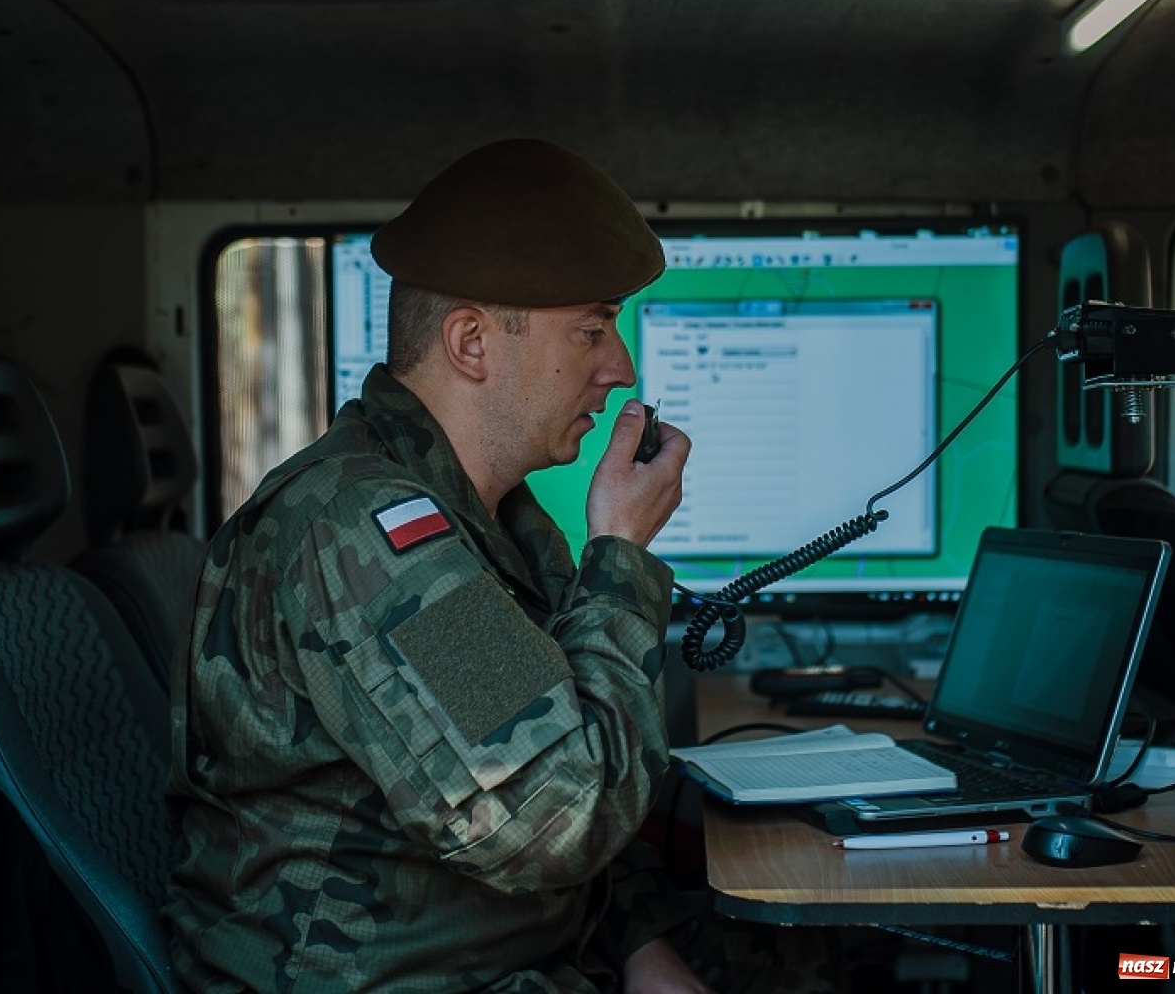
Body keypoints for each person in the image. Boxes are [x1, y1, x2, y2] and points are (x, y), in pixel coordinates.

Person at [165, 138, 830, 993]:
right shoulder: (371, 535)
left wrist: (636, 942)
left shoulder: (490, 519)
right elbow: (562, 813)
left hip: (503, 943)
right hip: (397, 976)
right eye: (592, 329)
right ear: (472, 343)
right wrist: (621, 557)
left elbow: (562, 768)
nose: (619, 368)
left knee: (818, 949)